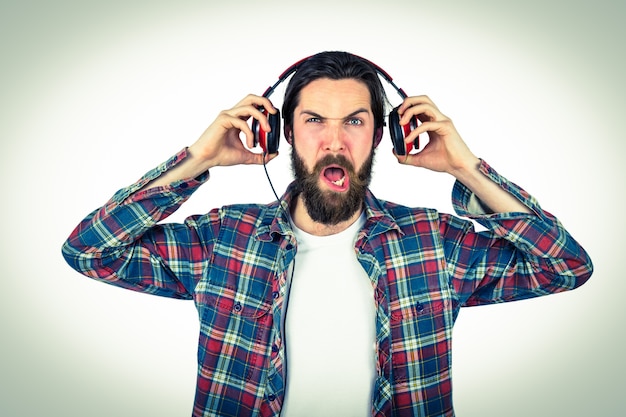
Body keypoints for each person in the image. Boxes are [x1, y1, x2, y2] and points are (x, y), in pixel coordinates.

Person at [62, 51, 593, 417]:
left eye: (355, 122)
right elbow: (89, 251)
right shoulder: (224, 239)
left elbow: (566, 266)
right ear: (284, 132)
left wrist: (468, 170)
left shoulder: (435, 244)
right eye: (314, 120)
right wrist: (195, 160)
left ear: (383, 137)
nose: (334, 141)